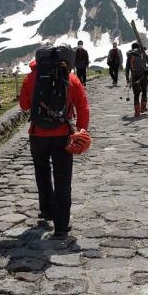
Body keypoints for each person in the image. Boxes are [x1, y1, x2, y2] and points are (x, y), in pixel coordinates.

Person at [19, 46, 90, 239]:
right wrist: (82, 130)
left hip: (37, 135)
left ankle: (47, 210)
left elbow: (24, 105)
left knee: (42, 172)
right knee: (62, 178)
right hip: (63, 136)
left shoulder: (30, 78)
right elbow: (83, 107)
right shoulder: (72, 79)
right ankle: (61, 225)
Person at [125, 42, 148, 118]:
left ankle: (137, 112)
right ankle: (143, 108)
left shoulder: (130, 55)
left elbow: (127, 69)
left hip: (134, 76)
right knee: (144, 91)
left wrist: (128, 80)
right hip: (143, 76)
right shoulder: (143, 54)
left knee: (136, 94)